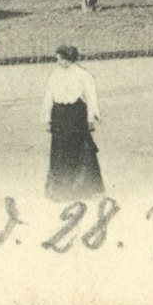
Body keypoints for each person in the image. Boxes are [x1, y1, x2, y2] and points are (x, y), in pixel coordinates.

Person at [42, 45, 103, 201]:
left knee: (78, 150)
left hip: (76, 115)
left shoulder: (83, 74)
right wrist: (47, 119)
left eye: (60, 59)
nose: (58, 62)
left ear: (66, 58)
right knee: (60, 151)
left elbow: (91, 97)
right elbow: (48, 96)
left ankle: (81, 188)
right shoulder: (55, 74)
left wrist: (90, 118)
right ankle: (60, 189)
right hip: (59, 115)